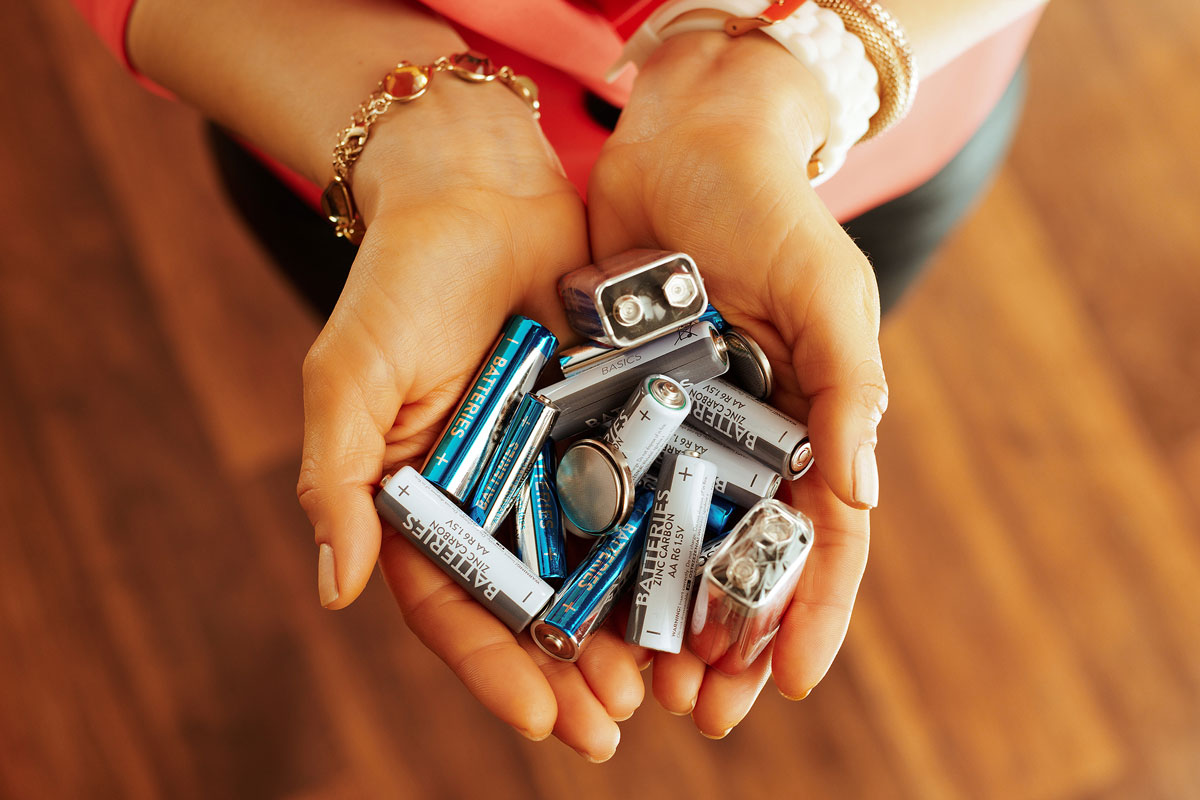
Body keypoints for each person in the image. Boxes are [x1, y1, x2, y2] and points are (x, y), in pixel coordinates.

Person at [72, 0, 1046, 762]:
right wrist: (420, 133)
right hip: (349, 144)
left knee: (813, 360)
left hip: (868, 129)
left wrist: (802, 71)